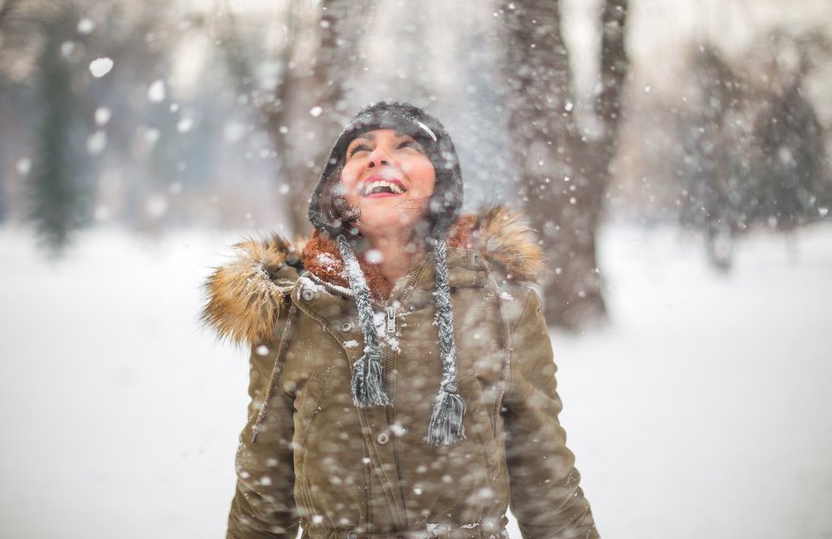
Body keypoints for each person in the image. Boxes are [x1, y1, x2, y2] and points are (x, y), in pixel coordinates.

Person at [203, 102, 599, 539]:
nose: (377, 157)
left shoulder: (501, 304)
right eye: (360, 150)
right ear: (336, 190)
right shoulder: (293, 307)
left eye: (405, 145)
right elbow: (264, 491)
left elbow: (545, 478)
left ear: (441, 182)